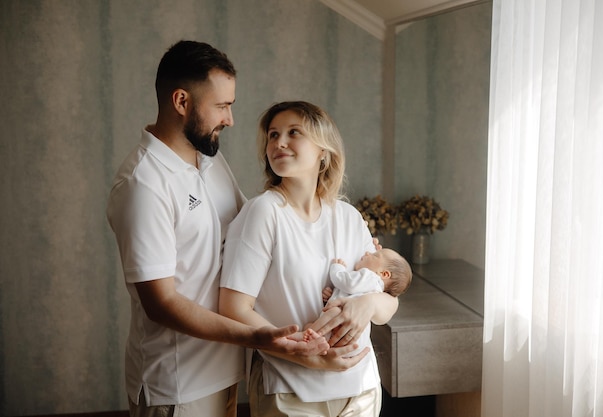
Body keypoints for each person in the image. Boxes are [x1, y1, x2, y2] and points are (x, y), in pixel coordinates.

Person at [106, 41, 328, 417]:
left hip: (226, 371)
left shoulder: (209, 158)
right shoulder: (143, 184)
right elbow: (161, 303)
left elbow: (258, 231)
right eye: (222, 106)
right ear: (181, 102)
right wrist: (258, 337)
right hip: (178, 385)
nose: (230, 119)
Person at [219, 101, 400, 417]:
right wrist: (306, 356)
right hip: (291, 390)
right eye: (273, 135)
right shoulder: (264, 213)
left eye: (293, 132)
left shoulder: (349, 217)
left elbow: (387, 305)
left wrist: (368, 305)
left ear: (323, 151)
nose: (279, 142)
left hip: (361, 391)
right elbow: (234, 309)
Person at [307, 249, 412, 355]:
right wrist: (332, 295)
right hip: (355, 340)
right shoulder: (375, 289)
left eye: (375, 256)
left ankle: (307, 334)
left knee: (333, 313)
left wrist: (337, 269)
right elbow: (350, 295)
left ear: (384, 274)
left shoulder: (370, 277)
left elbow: (347, 284)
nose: (367, 253)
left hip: (343, 328)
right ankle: (315, 337)